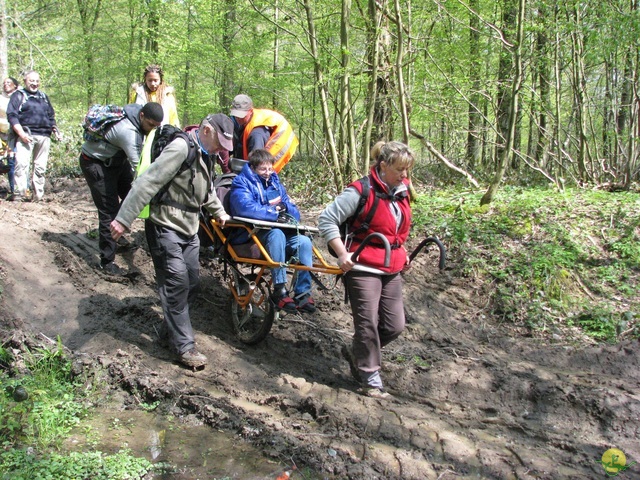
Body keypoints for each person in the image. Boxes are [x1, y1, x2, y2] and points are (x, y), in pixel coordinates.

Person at [109, 114, 233, 369]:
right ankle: (184, 348)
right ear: (206, 130)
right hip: (165, 225)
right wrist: (123, 218)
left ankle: (169, 333)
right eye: (219, 141)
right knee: (176, 283)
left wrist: (219, 212)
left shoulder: (207, 156)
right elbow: (148, 181)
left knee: (192, 283)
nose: (221, 149)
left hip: (190, 229)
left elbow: (206, 189)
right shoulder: (180, 148)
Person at [318, 141, 415, 399]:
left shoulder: (402, 191)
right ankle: (369, 378)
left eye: (407, 170)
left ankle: (359, 352)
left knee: (394, 326)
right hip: (361, 265)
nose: (405, 175)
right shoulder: (360, 190)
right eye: (400, 169)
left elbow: (397, 230)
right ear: (383, 166)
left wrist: (402, 253)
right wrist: (341, 254)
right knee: (367, 325)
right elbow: (326, 219)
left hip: (390, 266)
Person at [80, 102, 164, 275]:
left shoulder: (138, 118)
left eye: (156, 127)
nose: (151, 130)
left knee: (129, 195)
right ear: (142, 116)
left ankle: (115, 235)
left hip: (116, 161)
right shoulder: (128, 133)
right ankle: (107, 262)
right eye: (150, 125)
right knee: (108, 210)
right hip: (96, 164)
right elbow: (141, 172)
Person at [228, 148, 316, 313]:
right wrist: (273, 212)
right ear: (253, 168)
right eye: (263, 169)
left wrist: (284, 208)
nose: (267, 173)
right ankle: (280, 289)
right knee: (277, 235)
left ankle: (302, 292)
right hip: (250, 234)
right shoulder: (241, 182)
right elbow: (244, 207)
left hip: (276, 232)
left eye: (270, 168)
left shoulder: (276, 184)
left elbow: (295, 212)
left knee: (304, 242)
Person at [6, 70, 62, 202]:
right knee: (21, 165)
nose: (34, 84)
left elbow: (51, 116)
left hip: (44, 136)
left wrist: (56, 131)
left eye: (37, 81)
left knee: (40, 167)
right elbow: (12, 116)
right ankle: (19, 194)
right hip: (26, 134)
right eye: (31, 81)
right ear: (25, 81)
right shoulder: (18, 96)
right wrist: (21, 133)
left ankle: (38, 196)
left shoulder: (43, 97)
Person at [227, 94, 298, 173]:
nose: (238, 118)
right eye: (236, 115)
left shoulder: (256, 135)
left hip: (267, 160)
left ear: (250, 111)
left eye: (241, 115)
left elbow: (257, 164)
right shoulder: (242, 122)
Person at [0, 77, 19, 196]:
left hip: (14, 134)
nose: (6, 85)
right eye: (4, 83)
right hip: (0, 133)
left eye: (9, 83)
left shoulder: (19, 98)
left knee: (13, 162)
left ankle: (15, 190)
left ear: (15, 85)